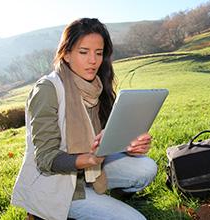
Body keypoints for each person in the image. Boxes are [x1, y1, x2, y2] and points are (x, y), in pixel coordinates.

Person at [11, 18, 157, 220]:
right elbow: (45, 159)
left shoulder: (97, 87)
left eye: (98, 53)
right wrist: (88, 159)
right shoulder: (47, 89)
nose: (93, 60)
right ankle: (48, 212)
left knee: (146, 167)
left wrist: (129, 145)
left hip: (93, 170)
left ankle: (104, 197)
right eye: (83, 52)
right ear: (67, 54)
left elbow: (105, 139)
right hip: (59, 184)